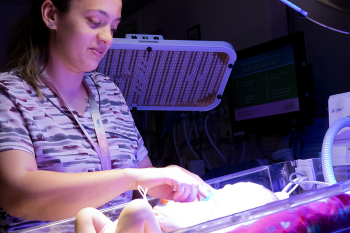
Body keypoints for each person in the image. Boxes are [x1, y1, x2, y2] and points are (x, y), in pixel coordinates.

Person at [0, 0, 211, 231]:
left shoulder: (107, 91)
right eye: (95, 22)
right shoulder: (10, 93)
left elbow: (144, 178)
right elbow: (17, 193)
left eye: (112, 28)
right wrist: (131, 179)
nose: (107, 38)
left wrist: (165, 185)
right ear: (51, 15)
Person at [74, 182, 279, 233]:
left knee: (138, 208)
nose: (222, 191)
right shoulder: (206, 205)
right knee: (85, 214)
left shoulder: (215, 222)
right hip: (119, 228)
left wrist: (175, 222)